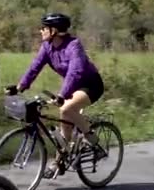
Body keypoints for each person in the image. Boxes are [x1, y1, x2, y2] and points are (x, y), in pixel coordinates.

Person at [9, 12, 106, 178]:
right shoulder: (47, 47)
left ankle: (95, 144)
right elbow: (35, 66)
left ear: (54, 30)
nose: (40, 31)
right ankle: (60, 161)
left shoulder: (73, 45)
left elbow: (75, 72)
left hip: (90, 85)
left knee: (66, 109)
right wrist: (20, 87)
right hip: (73, 86)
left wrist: (62, 94)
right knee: (65, 122)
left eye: (43, 28)